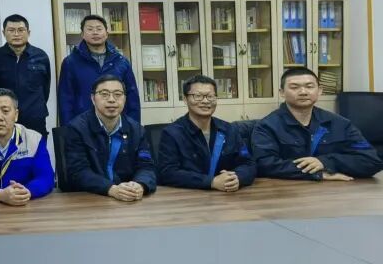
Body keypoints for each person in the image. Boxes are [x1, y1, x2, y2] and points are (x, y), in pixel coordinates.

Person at [252, 67, 382, 181]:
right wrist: (318, 174)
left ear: (319, 90)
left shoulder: (340, 124)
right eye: (294, 87)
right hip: (286, 192)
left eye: (309, 86)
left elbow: (372, 161)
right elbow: (264, 165)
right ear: (281, 92)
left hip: (335, 193)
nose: (303, 92)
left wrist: (325, 162)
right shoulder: (267, 126)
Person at [64, 75, 156, 201]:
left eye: (117, 94)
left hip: (128, 199)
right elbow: (78, 172)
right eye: (104, 94)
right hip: (89, 199)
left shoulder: (136, 130)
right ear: (93, 99)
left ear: (125, 99)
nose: (112, 100)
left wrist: (140, 185)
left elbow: (146, 167)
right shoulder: (77, 129)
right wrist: (111, 189)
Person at [157, 75, 256, 191]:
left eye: (210, 96)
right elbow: (168, 173)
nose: (205, 101)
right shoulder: (172, 133)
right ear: (185, 99)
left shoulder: (229, 130)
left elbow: (248, 163)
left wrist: (237, 178)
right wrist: (211, 182)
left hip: (227, 196)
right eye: (198, 96)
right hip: (188, 196)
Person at [57, 14, 140, 124]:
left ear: (106, 34)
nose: (95, 32)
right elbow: (65, 99)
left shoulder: (121, 61)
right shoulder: (70, 62)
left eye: (99, 29)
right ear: (82, 35)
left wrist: (134, 127)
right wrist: (68, 129)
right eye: (90, 29)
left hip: (116, 123)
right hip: (83, 124)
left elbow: (132, 97)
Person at [0, 14, 51, 134]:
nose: (16, 34)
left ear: (28, 32)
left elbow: (45, 88)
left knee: (37, 146)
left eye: (21, 30)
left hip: (35, 118)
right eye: (11, 30)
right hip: (4, 119)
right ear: (4, 33)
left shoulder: (41, 56)